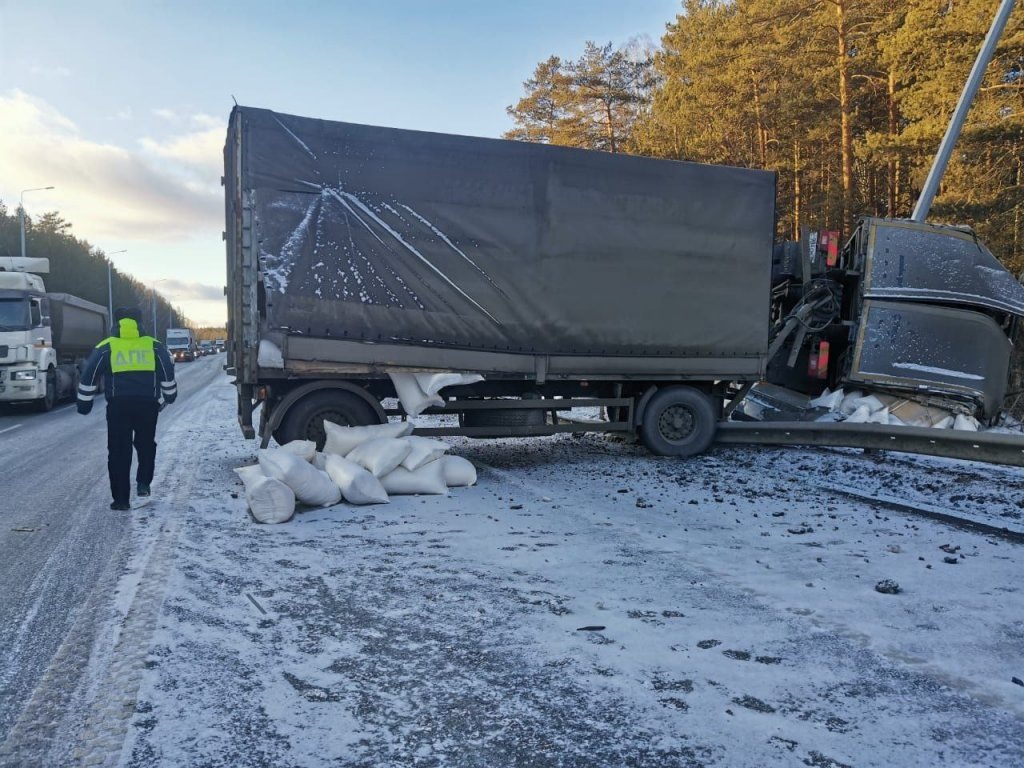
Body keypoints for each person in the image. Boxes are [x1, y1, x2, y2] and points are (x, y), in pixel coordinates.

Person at [77, 307, 177, 510]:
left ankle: (121, 500)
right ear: (141, 323)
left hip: (118, 406)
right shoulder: (154, 346)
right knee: (146, 444)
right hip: (147, 405)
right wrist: (170, 396)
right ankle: (143, 483)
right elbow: (167, 371)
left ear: (116, 323)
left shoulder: (106, 347)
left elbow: (89, 374)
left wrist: (84, 404)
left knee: (118, 452)